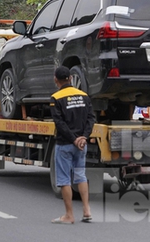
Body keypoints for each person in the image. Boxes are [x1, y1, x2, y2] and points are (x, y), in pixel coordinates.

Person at [50, 66, 95, 224]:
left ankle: (69, 215)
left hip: (65, 144)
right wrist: (84, 137)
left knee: (64, 180)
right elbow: (91, 118)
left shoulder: (56, 98)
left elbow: (60, 124)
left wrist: (73, 139)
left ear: (56, 80)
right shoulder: (84, 96)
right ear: (70, 78)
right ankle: (87, 210)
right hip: (82, 144)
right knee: (81, 176)